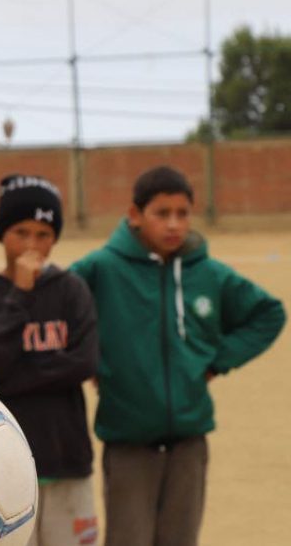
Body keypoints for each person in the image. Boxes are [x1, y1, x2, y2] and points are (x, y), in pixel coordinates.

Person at [70, 165, 285, 546]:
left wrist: (218, 361)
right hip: (128, 444)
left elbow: (269, 314)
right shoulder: (101, 269)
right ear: (135, 216)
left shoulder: (209, 274)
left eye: (182, 214)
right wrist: (88, 361)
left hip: (189, 443)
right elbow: (58, 307)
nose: (173, 224)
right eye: (162, 213)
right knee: (128, 539)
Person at [0, 175, 98, 546]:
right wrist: (20, 292)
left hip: (67, 457)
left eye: (43, 234)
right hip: (6, 466)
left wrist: (2, 381)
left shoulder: (71, 289)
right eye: (21, 232)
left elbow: (84, 363)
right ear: (1, 232)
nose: (32, 244)